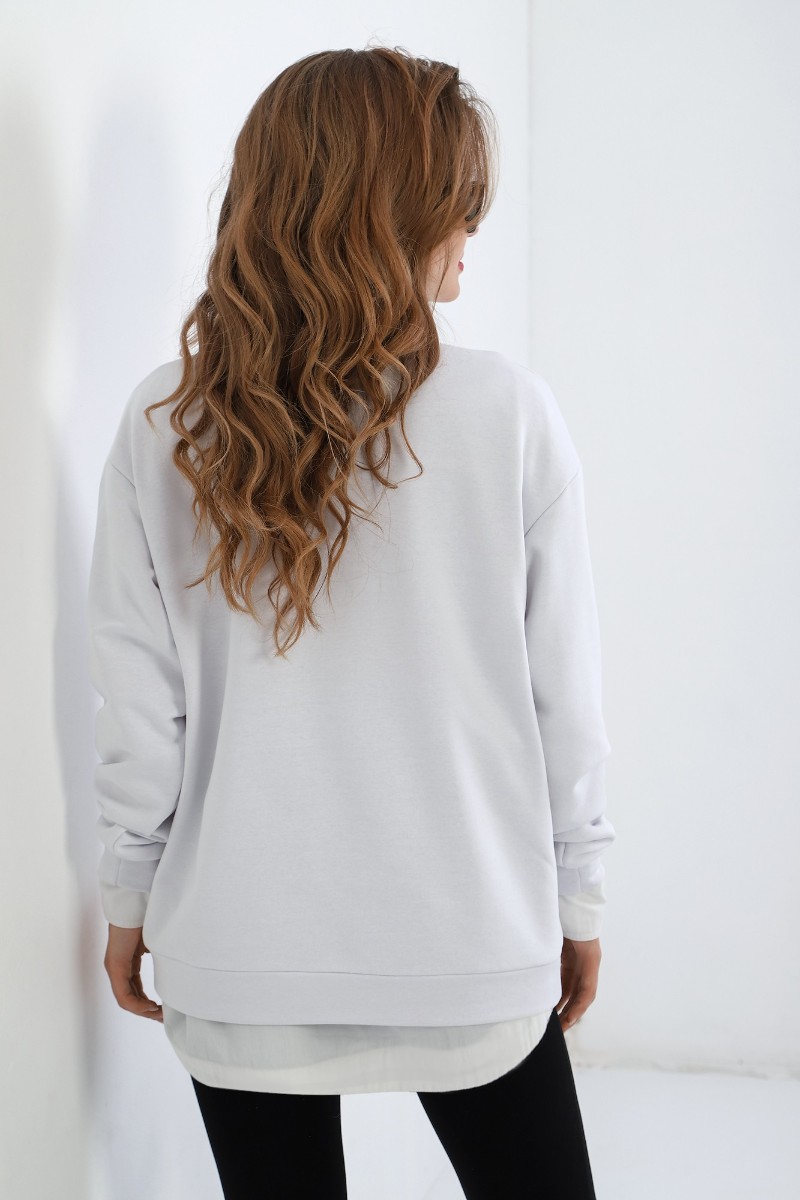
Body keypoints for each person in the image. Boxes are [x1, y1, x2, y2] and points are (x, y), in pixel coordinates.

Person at [87, 44, 615, 1199]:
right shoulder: (507, 415)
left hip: (237, 953)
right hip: (470, 946)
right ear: (389, 213)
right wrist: (576, 895)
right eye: (456, 210)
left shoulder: (163, 423)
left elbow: (136, 710)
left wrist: (127, 898)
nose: (467, 247)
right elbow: (564, 702)